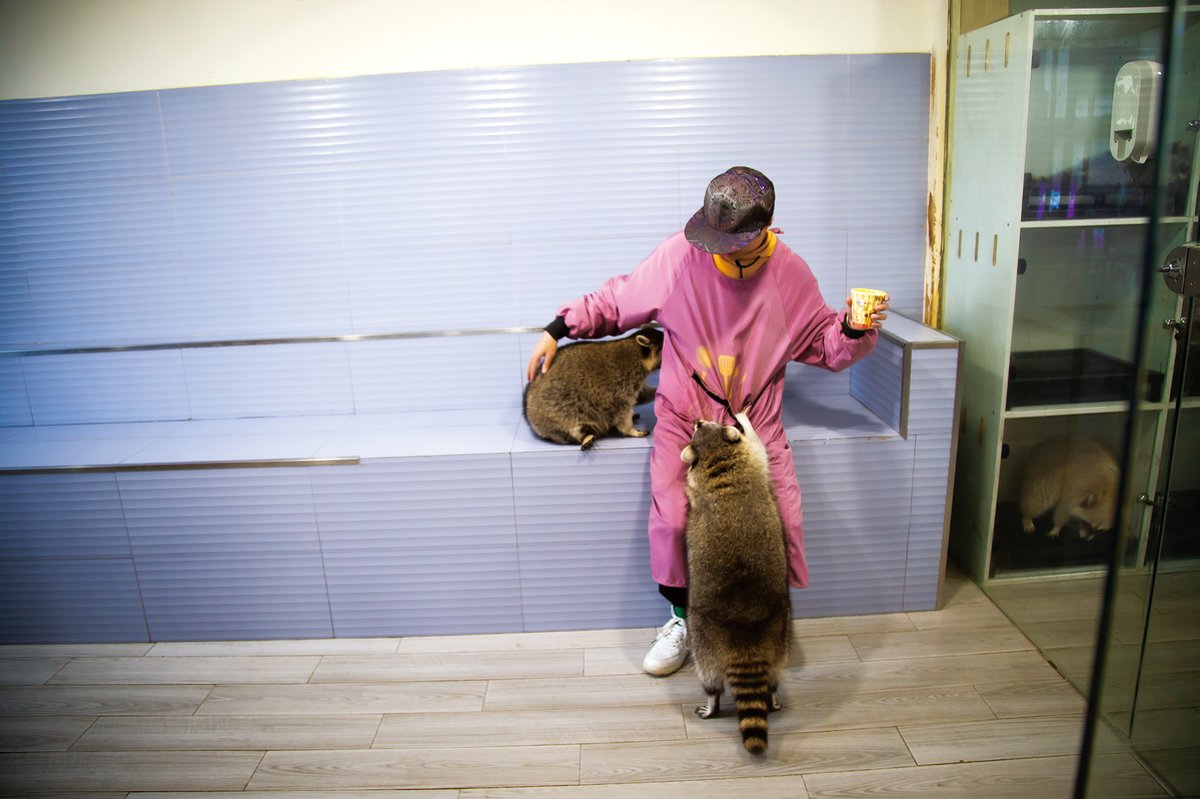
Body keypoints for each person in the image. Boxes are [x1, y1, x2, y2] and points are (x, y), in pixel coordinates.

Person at [525, 166, 889, 676]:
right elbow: (620, 298)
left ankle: (759, 630)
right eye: (712, 237)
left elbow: (823, 342)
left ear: (764, 227)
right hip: (685, 416)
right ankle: (681, 620)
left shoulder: (790, 273)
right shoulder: (681, 254)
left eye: (732, 241)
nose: (718, 249)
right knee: (673, 520)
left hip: (752, 422)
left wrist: (853, 328)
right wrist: (558, 327)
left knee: (780, 521)